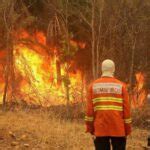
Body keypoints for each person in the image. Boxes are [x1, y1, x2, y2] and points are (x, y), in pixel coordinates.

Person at [85, 59, 131, 150]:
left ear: (102, 69)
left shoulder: (93, 86)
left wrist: (90, 128)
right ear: (113, 70)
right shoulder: (121, 86)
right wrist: (127, 130)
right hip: (118, 129)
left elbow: (89, 111)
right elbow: (126, 111)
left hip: (100, 128)